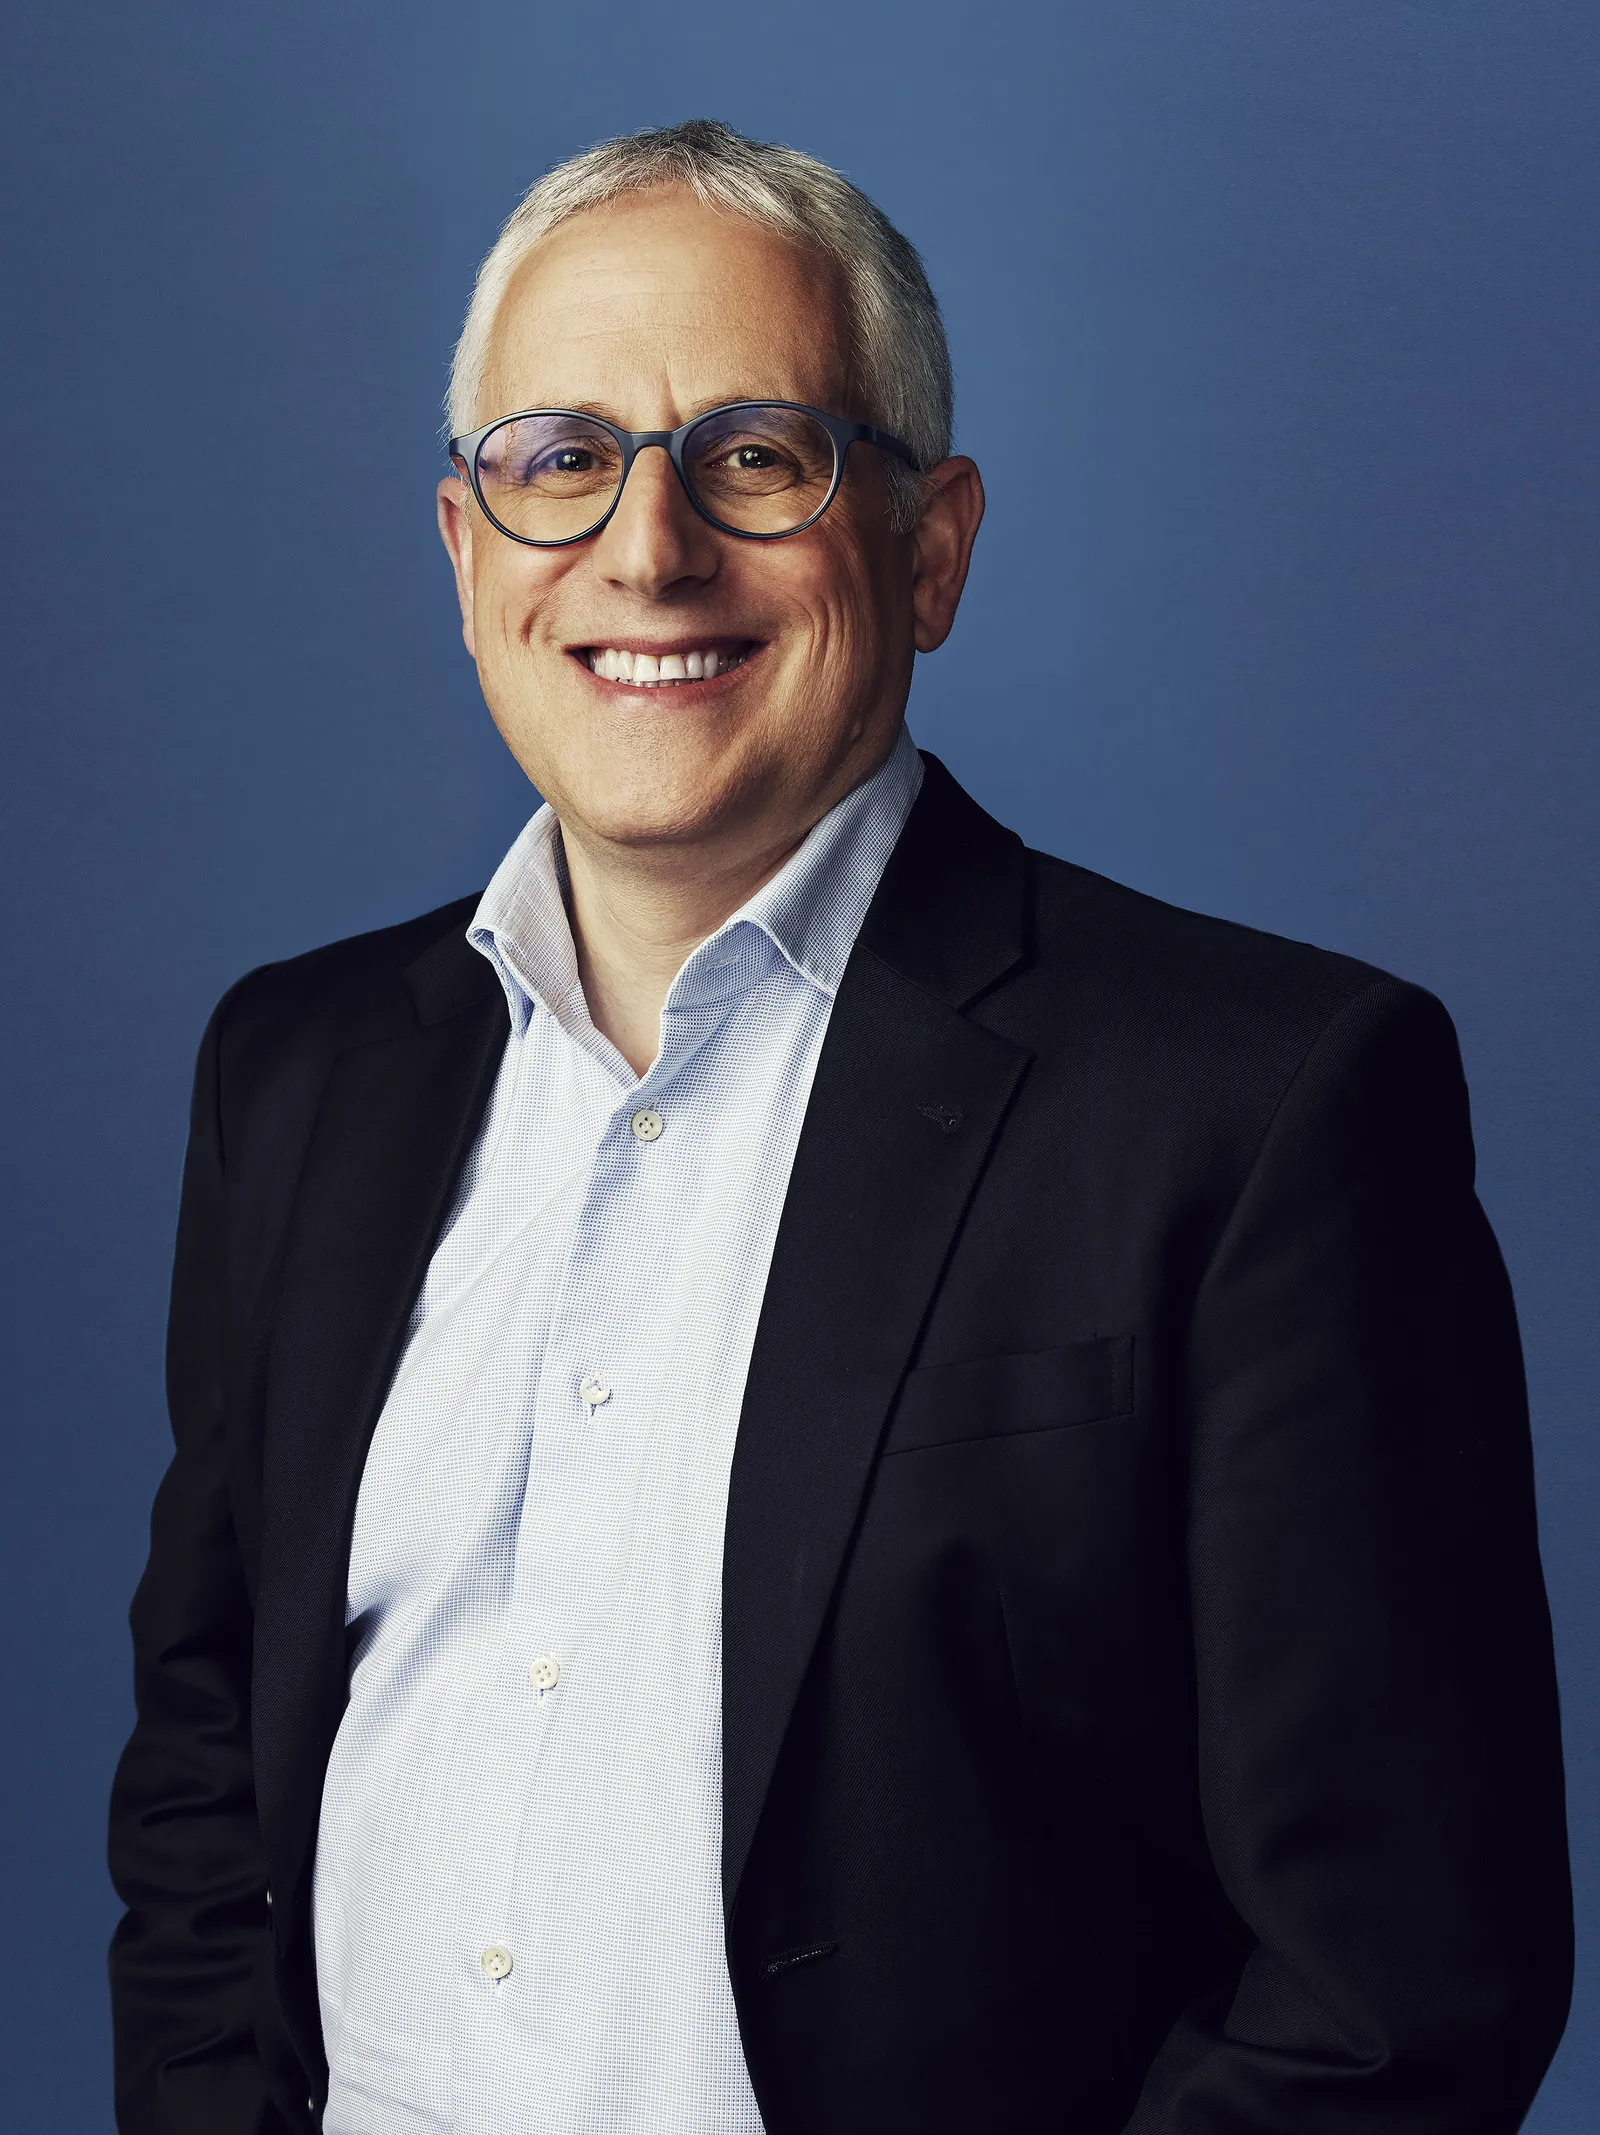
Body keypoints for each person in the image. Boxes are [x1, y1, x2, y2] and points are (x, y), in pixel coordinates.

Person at [107, 119, 1571, 2135]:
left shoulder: (1259, 1109)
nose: (645, 550)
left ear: (929, 545)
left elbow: (1389, 1991)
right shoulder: (295, 1072)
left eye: (756, 452)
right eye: (559, 461)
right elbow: (206, 1756)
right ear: (467, 555)